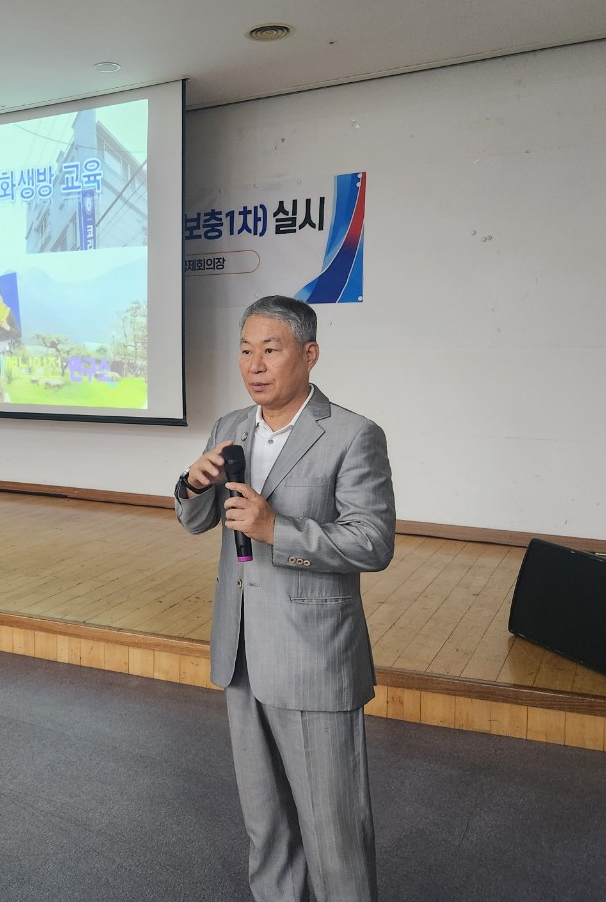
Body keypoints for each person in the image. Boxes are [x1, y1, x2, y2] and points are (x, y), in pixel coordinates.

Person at [175, 295, 395, 902]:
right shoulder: (229, 427)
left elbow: (373, 542)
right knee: (265, 825)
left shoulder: (352, 435)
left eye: (271, 350)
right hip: (242, 650)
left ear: (309, 353)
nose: (255, 364)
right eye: (246, 350)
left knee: (333, 831)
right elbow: (196, 520)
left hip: (312, 657)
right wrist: (191, 485)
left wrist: (277, 530)